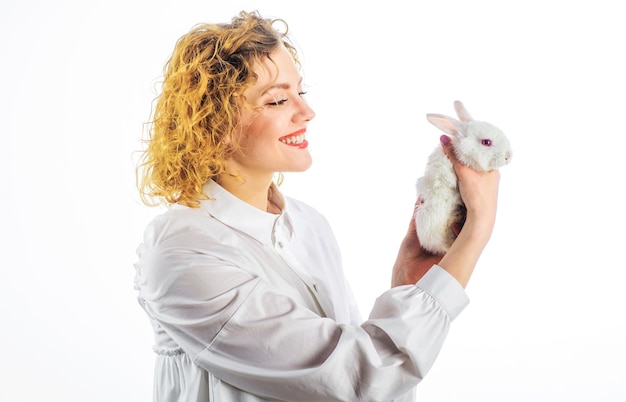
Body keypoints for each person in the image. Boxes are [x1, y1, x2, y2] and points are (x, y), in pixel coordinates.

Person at [134, 10, 501, 402]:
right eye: (276, 100)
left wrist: (407, 287)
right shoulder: (182, 251)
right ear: (214, 123)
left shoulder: (309, 226)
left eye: (300, 92)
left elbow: (362, 385)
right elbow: (360, 377)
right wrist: (476, 233)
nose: (306, 113)